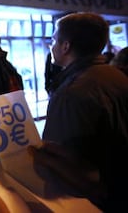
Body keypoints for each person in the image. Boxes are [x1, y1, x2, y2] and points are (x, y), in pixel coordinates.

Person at [42, 12, 128, 211]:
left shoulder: (72, 92)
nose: (51, 45)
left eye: (54, 39)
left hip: (100, 201)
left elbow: (63, 160)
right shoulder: (117, 76)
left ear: (66, 46)